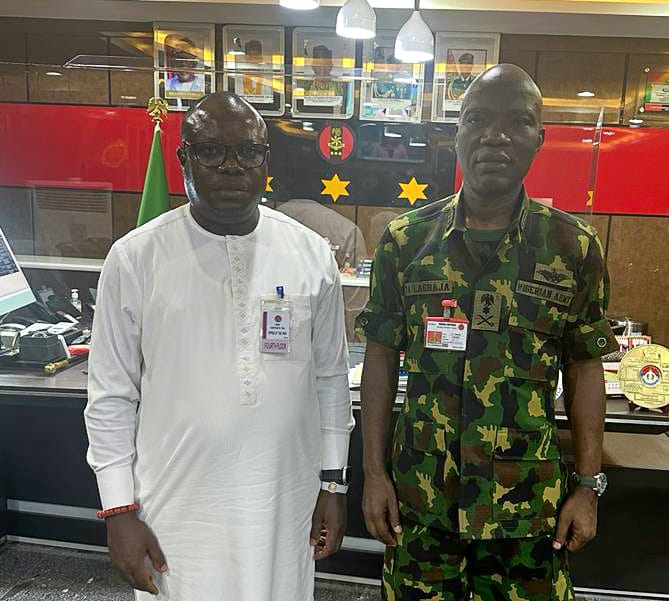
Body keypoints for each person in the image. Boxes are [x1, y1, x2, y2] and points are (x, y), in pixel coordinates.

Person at [356, 64, 618, 600]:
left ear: (539, 140)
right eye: (477, 119)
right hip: (422, 504)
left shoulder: (573, 248)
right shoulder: (405, 244)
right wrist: (374, 475)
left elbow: (586, 368)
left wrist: (589, 487)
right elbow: (380, 360)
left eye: (516, 122)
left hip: (528, 512)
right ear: (457, 133)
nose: (494, 135)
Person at [85, 92, 354, 601]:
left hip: (284, 502)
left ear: (266, 162)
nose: (232, 167)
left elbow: (330, 378)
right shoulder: (136, 258)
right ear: (184, 158)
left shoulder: (310, 254)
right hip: (176, 511)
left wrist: (333, 484)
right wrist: (118, 510)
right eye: (211, 152)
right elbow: (111, 397)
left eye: (248, 152)